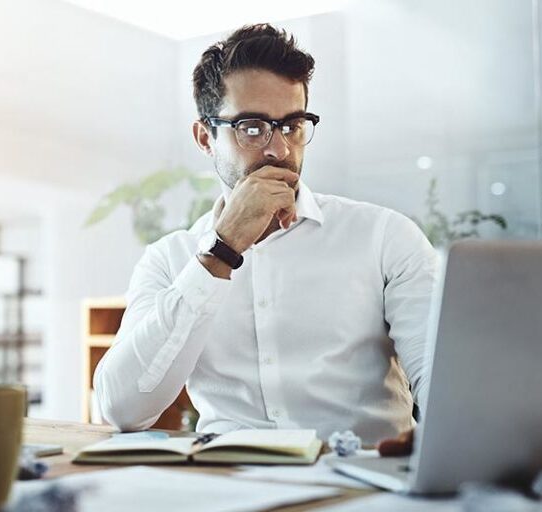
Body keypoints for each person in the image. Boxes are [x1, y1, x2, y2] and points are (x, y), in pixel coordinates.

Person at [94, 24, 438, 445]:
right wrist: (221, 250)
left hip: (358, 480)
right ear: (206, 138)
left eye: (293, 125)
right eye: (252, 128)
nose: (279, 150)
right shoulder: (169, 259)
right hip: (230, 483)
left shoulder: (384, 236)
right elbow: (124, 409)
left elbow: (442, 381)